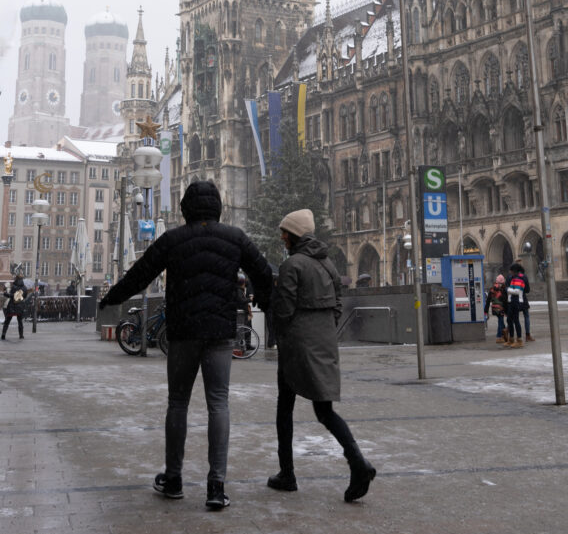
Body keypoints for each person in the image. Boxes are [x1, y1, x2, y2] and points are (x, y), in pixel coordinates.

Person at [99, 180, 272, 510]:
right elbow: (262, 272)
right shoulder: (234, 237)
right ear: (218, 207)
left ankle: (174, 478)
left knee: (178, 402)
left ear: (186, 208)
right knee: (218, 403)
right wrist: (267, 302)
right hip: (220, 332)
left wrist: (112, 298)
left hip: (183, 332)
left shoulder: (173, 239)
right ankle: (216, 485)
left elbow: (140, 273)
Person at [268, 209, 376, 502]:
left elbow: (284, 311)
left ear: (295, 235)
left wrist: (282, 331)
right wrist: (324, 328)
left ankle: (288, 473)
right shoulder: (327, 264)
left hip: (296, 347)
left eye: (285, 232)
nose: (282, 237)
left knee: (284, 409)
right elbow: (338, 303)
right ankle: (357, 462)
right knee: (325, 410)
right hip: (325, 342)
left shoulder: (292, 265)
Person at [504, 263, 527, 348]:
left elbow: (516, 291)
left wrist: (507, 289)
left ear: (514, 271)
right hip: (512, 301)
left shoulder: (518, 279)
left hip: (516, 301)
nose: (509, 272)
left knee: (516, 320)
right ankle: (511, 339)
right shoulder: (514, 278)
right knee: (509, 320)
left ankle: (519, 340)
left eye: (510, 270)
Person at [2, 272, 27, 339]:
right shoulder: (24, 288)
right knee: (20, 322)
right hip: (20, 307)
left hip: (12, 306)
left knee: (7, 321)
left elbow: (13, 296)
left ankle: (3, 335)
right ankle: (21, 335)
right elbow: (24, 296)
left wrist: (6, 294)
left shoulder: (14, 286)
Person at [484, 274, 508, 344]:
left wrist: (485, 310)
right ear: (503, 282)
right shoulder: (503, 289)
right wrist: (506, 311)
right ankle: (499, 336)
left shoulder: (492, 289)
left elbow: (488, 300)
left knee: (501, 322)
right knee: (500, 322)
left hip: (494, 308)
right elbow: (505, 301)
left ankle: (504, 335)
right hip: (500, 308)